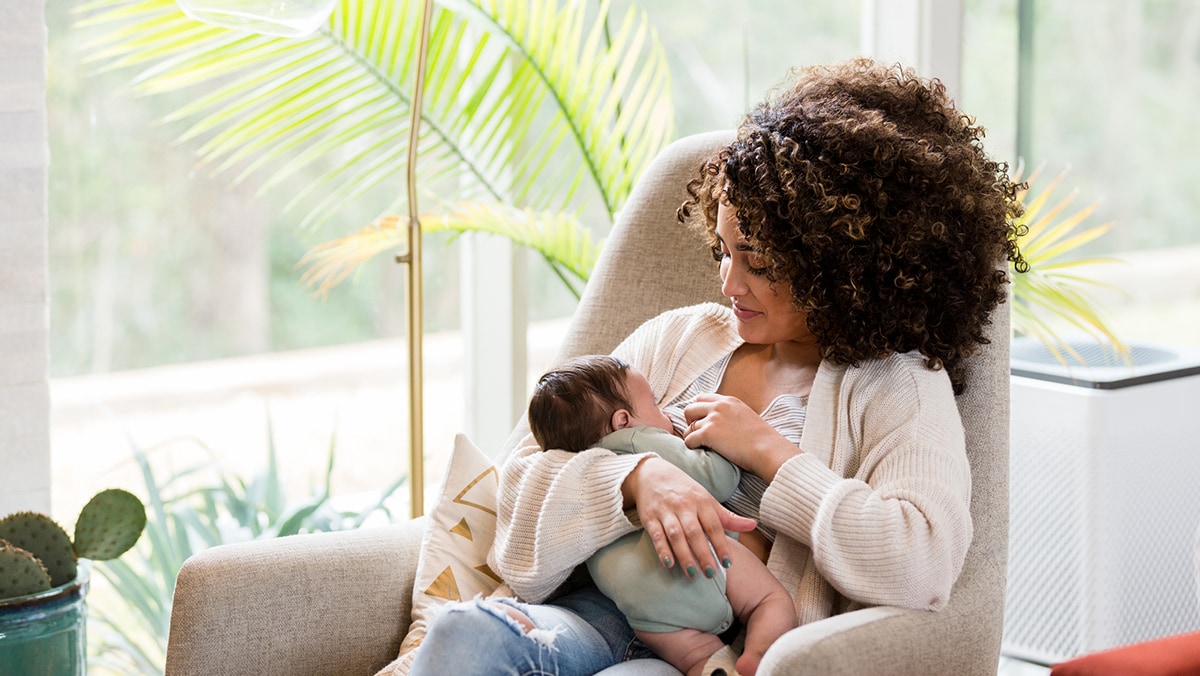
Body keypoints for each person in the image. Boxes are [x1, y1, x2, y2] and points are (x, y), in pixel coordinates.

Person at [409, 57, 1026, 676]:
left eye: (755, 260)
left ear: (838, 265)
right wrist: (634, 481)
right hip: (587, 616)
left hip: (710, 651)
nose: (728, 281)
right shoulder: (679, 338)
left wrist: (769, 454)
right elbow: (520, 484)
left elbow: (921, 564)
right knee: (467, 637)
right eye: (724, 250)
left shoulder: (897, 387)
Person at [526, 354, 796, 676]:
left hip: (638, 605)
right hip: (694, 562)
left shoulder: (577, 465)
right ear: (622, 421)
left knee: (696, 656)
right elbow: (715, 480)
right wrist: (719, 445)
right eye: (654, 403)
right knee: (769, 600)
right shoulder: (641, 440)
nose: (665, 411)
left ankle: (711, 668)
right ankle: (760, 655)